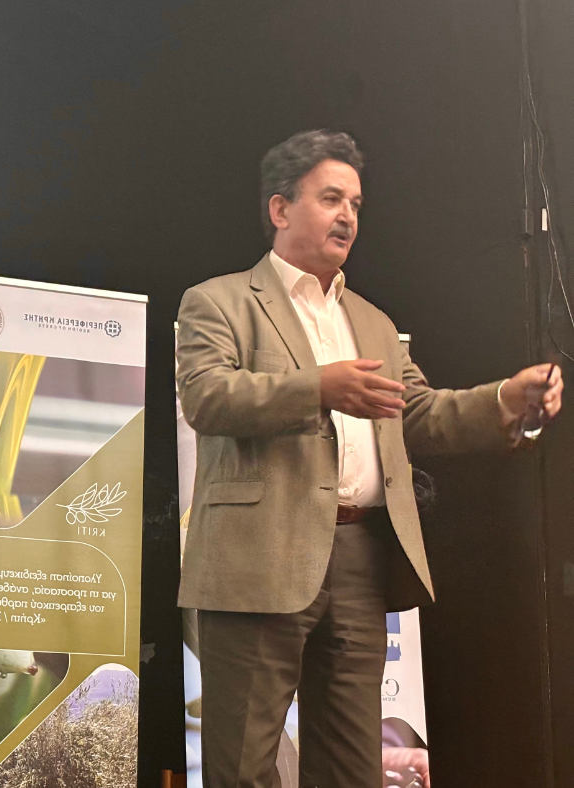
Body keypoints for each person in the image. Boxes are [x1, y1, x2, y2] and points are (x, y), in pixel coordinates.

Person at [174, 129, 563, 788]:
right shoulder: (219, 301)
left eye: (355, 203)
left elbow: (419, 415)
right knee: (242, 766)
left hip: (361, 558)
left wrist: (505, 398)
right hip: (258, 557)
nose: (348, 216)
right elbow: (208, 398)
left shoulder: (373, 321)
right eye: (331, 199)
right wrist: (318, 389)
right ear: (280, 208)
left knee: (353, 769)